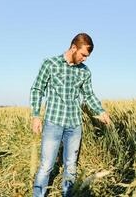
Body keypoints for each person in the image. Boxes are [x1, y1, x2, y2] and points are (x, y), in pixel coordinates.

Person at [30, 33, 111, 197]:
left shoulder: (85, 72)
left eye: (87, 56)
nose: (85, 59)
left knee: (71, 166)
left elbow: (89, 95)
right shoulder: (50, 64)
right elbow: (37, 89)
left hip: (74, 126)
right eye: (83, 55)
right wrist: (36, 115)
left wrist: (100, 111)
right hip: (53, 123)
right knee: (46, 166)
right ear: (73, 48)